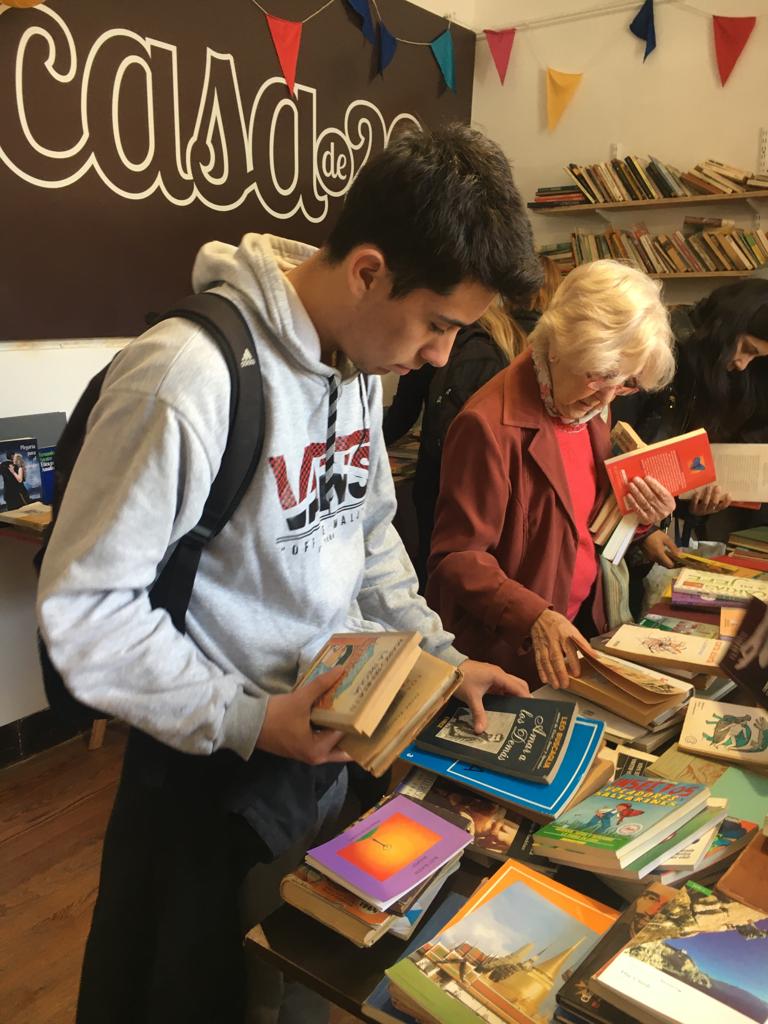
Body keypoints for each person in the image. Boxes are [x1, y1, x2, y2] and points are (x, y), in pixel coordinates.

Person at [36, 123, 542, 1024]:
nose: (438, 357)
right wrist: (247, 719)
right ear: (368, 271)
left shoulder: (354, 362)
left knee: (292, 991)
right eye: (439, 326)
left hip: (316, 753)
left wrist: (434, 652)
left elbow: (370, 532)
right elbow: (86, 611)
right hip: (201, 774)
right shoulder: (183, 378)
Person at [427, 260, 677, 690]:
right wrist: (534, 616)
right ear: (560, 343)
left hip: (577, 629)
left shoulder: (592, 407)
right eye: (599, 375)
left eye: (626, 384)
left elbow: (585, 528)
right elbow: (455, 560)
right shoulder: (488, 425)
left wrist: (640, 518)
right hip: (508, 656)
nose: (607, 397)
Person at [385, 255, 561, 589]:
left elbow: (403, 412)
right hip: (500, 497)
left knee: (438, 578)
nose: (438, 353)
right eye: (438, 327)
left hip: (438, 486)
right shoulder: (527, 348)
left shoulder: (487, 339)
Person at [612, 278, 768, 564]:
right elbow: (616, 449)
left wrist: (694, 506)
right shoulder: (662, 352)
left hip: (644, 523)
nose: (743, 364)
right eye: (746, 348)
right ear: (728, 324)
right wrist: (643, 533)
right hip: (617, 525)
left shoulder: (708, 367)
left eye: (755, 358)